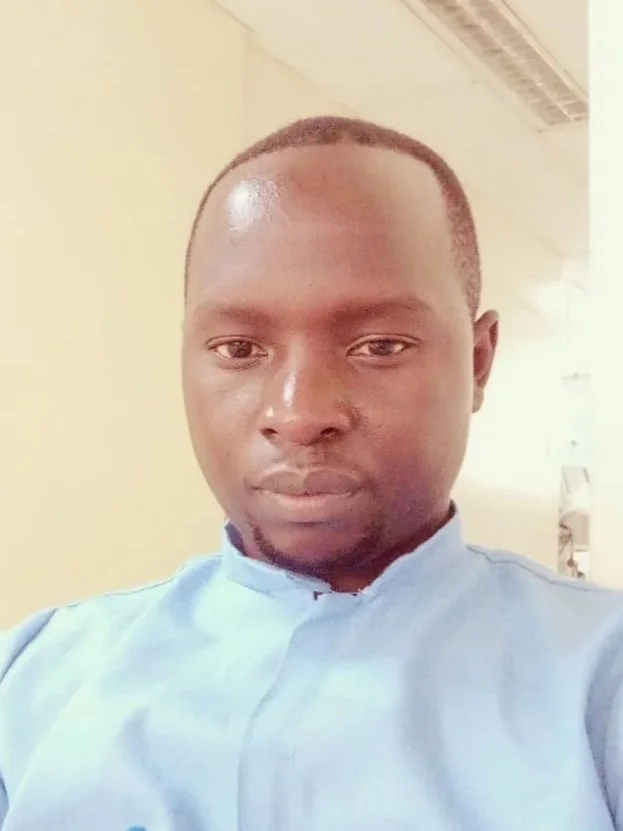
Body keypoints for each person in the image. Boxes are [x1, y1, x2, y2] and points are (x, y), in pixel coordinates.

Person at [0, 116, 620, 831]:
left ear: (478, 362)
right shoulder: (37, 677)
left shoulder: (601, 682)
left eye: (379, 345)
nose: (298, 414)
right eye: (239, 348)